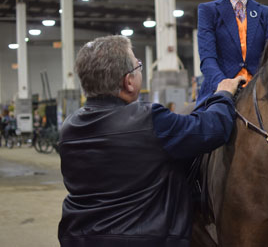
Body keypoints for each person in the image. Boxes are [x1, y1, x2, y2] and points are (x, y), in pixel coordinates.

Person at [58, 35, 244, 247]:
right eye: (138, 65)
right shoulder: (149, 120)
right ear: (128, 81)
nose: (140, 69)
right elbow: (211, 129)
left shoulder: (69, 128)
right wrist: (223, 94)